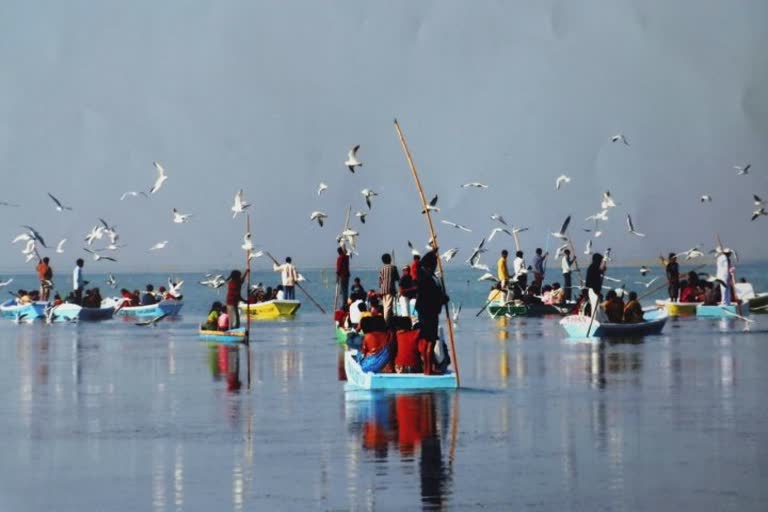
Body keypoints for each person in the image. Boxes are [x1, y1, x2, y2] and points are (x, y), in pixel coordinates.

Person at [415, 251, 449, 375]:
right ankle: (428, 370)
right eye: (434, 263)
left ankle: (427, 369)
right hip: (429, 313)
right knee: (430, 341)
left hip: (426, 312)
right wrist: (443, 299)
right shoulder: (427, 278)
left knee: (426, 340)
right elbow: (434, 296)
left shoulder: (426, 276)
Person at [378, 253, 400, 325]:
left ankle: (387, 321)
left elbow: (380, 280)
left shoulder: (382, 268)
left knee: (385, 306)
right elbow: (397, 278)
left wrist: (380, 289)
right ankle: (385, 323)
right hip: (390, 289)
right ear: (390, 259)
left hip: (383, 289)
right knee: (388, 306)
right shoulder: (393, 268)